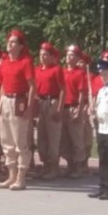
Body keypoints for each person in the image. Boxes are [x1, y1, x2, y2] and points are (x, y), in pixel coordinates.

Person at [0, 29, 35, 191]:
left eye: (13, 42)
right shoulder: (4, 62)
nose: (10, 44)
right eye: (9, 41)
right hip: (5, 100)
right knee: (6, 141)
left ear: (20, 46)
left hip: (18, 100)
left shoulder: (25, 62)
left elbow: (32, 86)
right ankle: (11, 175)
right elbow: (1, 84)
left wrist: (29, 107)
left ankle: (21, 177)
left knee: (20, 141)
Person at [35, 42, 65, 179]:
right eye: (41, 54)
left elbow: (63, 90)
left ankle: (54, 168)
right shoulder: (37, 70)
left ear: (52, 57)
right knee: (41, 138)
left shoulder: (56, 69)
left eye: (46, 55)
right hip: (40, 102)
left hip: (52, 101)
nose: (42, 57)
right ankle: (45, 165)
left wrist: (59, 109)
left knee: (53, 137)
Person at [60, 45, 87, 178]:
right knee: (65, 139)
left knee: (76, 139)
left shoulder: (79, 73)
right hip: (63, 107)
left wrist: (79, 109)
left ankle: (79, 167)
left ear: (77, 58)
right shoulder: (63, 72)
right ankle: (69, 165)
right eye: (67, 55)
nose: (68, 57)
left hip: (73, 107)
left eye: (71, 55)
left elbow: (82, 93)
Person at [89, 55, 108, 199]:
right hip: (102, 128)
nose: (101, 75)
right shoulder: (102, 91)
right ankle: (103, 187)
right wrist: (93, 111)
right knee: (103, 159)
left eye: (104, 72)